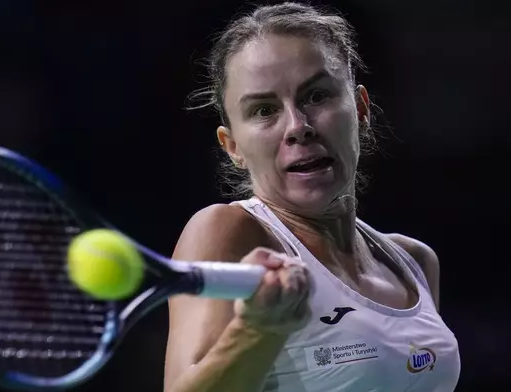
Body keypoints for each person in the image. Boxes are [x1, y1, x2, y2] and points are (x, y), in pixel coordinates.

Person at [163, 3, 461, 392]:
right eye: (264, 110)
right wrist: (259, 330)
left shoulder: (414, 262)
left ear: (360, 108)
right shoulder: (226, 231)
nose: (297, 126)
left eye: (317, 96)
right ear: (232, 145)